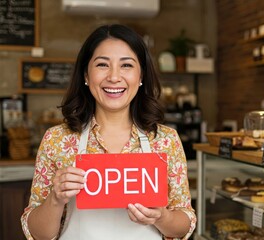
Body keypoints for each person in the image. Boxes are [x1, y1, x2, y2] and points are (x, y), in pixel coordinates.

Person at [21, 24, 196, 240]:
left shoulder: (166, 140)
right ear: (86, 74)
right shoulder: (57, 139)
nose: (114, 77)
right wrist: (55, 199)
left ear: (141, 75)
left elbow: (184, 224)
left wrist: (162, 217)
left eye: (126, 65)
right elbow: (38, 235)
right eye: (102, 64)